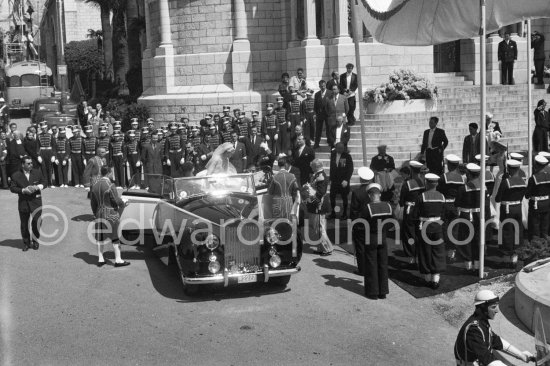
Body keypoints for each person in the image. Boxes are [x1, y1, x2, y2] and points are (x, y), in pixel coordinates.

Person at [454, 290, 534, 366]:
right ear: (483, 308)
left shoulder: (482, 322)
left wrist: (520, 354)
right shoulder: (473, 330)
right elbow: (487, 358)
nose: (497, 311)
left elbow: (495, 340)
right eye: (493, 307)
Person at [90, 166, 130, 268]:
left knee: (100, 238)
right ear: (108, 173)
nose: (112, 174)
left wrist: (96, 214)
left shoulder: (94, 185)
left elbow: (93, 203)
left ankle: (100, 259)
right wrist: (123, 202)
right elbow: (116, 201)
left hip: (99, 213)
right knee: (115, 237)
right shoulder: (110, 185)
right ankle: (118, 260)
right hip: (111, 214)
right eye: (111, 173)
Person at [413, 173, 446, 289]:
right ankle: (435, 279)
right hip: (437, 227)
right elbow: (443, 213)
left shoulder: (421, 197)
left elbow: (415, 214)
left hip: (424, 227)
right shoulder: (442, 196)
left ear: (426, 183)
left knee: (425, 251)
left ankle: (427, 277)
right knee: (437, 252)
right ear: (436, 184)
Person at [359, 183, 392, 299]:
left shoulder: (367, 207)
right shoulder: (388, 206)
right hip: (382, 236)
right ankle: (383, 291)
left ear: (369, 195)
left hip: (371, 236)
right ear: (380, 194)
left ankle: (373, 292)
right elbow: (393, 223)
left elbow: (361, 224)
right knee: (383, 263)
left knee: (371, 263)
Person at [495, 159, 526, 267]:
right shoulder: (523, 181)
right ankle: (515, 257)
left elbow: (498, 199)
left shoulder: (506, 182)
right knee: (517, 231)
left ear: (508, 168)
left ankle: (507, 257)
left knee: (506, 232)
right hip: (518, 207)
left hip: (507, 209)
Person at [10, 156, 44, 251]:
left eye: (31, 163)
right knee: (24, 224)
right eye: (28, 163)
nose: (31, 165)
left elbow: (45, 182)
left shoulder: (37, 172)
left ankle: (35, 240)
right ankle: (26, 243)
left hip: (36, 202)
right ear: (22, 165)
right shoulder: (16, 175)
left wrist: (37, 187)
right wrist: (23, 190)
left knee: (37, 221)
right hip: (23, 202)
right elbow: (12, 188)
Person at [455, 163, 483, 271]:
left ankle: (468, 263)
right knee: (477, 238)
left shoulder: (463, 188)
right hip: (479, 215)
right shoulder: (482, 186)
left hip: (466, 215)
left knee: (466, 238)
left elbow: (457, 203)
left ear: (469, 175)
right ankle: (477, 263)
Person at [437, 154, 465, 262]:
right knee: (454, 229)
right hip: (456, 206)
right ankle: (451, 252)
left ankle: (445, 250)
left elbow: (439, 191)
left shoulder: (443, 177)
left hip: (445, 206)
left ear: (448, 165)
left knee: (444, 228)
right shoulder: (462, 178)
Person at [303, 159, 333, 256]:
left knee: (320, 228)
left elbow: (321, 192)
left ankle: (327, 248)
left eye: (312, 166)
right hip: (316, 204)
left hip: (319, 205)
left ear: (316, 167)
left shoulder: (321, 176)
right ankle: (321, 247)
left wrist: (311, 190)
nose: (311, 168)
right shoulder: (317, 175)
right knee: (317, 228)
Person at [399, 160, 425, 264]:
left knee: (409, 233)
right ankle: (419, 254)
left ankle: (411, 256)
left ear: (411, 170)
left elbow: (402, 200)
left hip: (410, 210)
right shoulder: (423, 182)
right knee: (419, 233)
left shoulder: (407, 183)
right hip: (420, 210)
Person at [350, 167, 375, 275]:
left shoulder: (357, 192)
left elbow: (354, 210)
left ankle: (362, 269)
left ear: (361, 179)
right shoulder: (375, 191)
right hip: (373, 223)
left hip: (360, 224)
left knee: (360, 247)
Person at [525, 155, 550, 243]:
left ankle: (536, 245)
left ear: (536, 165)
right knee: (545, 226)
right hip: (547, 203)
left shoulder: (533, 178)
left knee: (535, 226)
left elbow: (527, 195)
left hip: (536, 204)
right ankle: (546, 245)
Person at [268, 154, 300, 220]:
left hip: (277, 202)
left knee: (277, 222)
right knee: (288, 222)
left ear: (278, 165)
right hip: (288, 201)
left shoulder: (274, 177)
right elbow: (296, 188)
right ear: (286, 165)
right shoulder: (292, 176)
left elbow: (270, 192)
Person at [328, 142, 353, 220]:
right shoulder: (333, 155)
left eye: (342, 148)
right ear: (336, 148)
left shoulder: (347, 156)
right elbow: (332, 168)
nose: (340, 150)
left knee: (344, 197)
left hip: (343, 181)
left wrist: (346, 180)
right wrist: (330, 179)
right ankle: (333, 212)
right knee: (332, 197)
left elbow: (350, 169)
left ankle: (345, 213)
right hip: (334, 180)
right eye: (339, 148)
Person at [313, 80, 329, 149]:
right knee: (318, 130)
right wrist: (315, 113)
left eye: (324, 86)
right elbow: (315, 105)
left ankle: (330, 142)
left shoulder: (330, 93)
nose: (322, 87)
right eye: (321, 86)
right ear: (319, 86)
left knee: (329, 129)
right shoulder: (317, 94)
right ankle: (316, 143)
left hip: (328, 114)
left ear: (325, 85)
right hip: (319, 114)